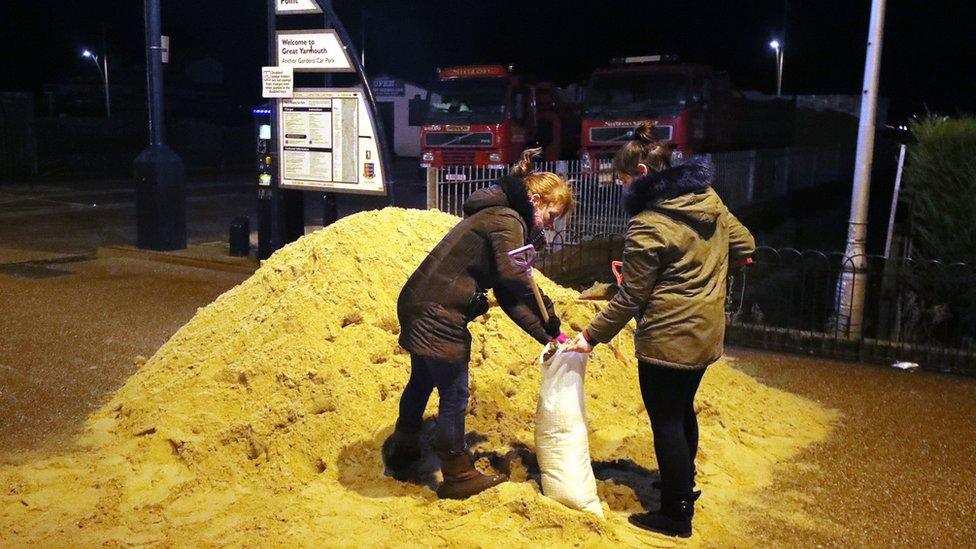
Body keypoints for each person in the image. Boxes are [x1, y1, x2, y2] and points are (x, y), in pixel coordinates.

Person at [565, 123, 755, 536]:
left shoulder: (648, 223)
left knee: (666, 419)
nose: (620, 187)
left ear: (642, 175)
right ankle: (682, 483)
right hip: (707, 331)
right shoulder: (708, 199)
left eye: (623, 179)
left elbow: (631, 297)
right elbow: (745, 246)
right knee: (683, 407)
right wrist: (705, 267)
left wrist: (589, 337)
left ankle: (675, 514)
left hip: (668, 336)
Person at [385, 149, 575, 500]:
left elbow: (506, 293)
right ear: (535, 199)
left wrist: (546, 334)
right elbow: (513, 275)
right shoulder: (508, 220)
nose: (549, 225)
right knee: (454, 393)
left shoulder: (498, 216)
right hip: (438, 312)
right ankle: (457, 475)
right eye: (551, 215)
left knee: (422, 380)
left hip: (417, 301)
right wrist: (550, 317)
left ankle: (404, 448)